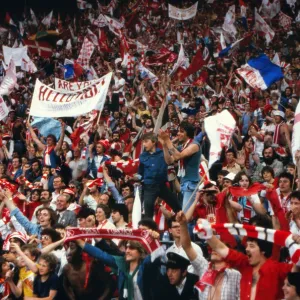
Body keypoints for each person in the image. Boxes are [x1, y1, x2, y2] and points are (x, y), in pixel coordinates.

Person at [75, 230, 162, 300]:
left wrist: (155, 239)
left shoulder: (146, 266)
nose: (127, 251)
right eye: (127, 247)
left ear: (141, 252)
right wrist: (79, 242)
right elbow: (100, 255)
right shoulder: (122, 263)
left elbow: (158, 256)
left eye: (131, 248)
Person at [176, 211, 241, 300]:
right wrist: (183, 224)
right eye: (213, 247)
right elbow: (187, 247)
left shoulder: (236, 275)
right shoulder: (204, 267)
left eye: (218, 248)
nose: (214, 249)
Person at [159, 121, 201, 212]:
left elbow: (178, 156)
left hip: (192, 184)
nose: (178, 134)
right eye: (178, 131)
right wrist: (164, 145)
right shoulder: (182, 147)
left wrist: (167, 140)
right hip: (184, 184)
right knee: (187, 214)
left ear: (188, 134)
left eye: (182, 131)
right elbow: (169, 161)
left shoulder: (194, 145)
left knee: (186, 214)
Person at [138, 132, 181, 218]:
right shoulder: (142, 156)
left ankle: (183, 224)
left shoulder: (162, 153)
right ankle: (149, 229)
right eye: (143, 142)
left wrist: (164, 144)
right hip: (149, 187)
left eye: (146, 141)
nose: (144, 144)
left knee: (177, 207)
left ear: (154, 142)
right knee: (148, 212)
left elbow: (170, 161)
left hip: (162, 186)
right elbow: (140, 172)